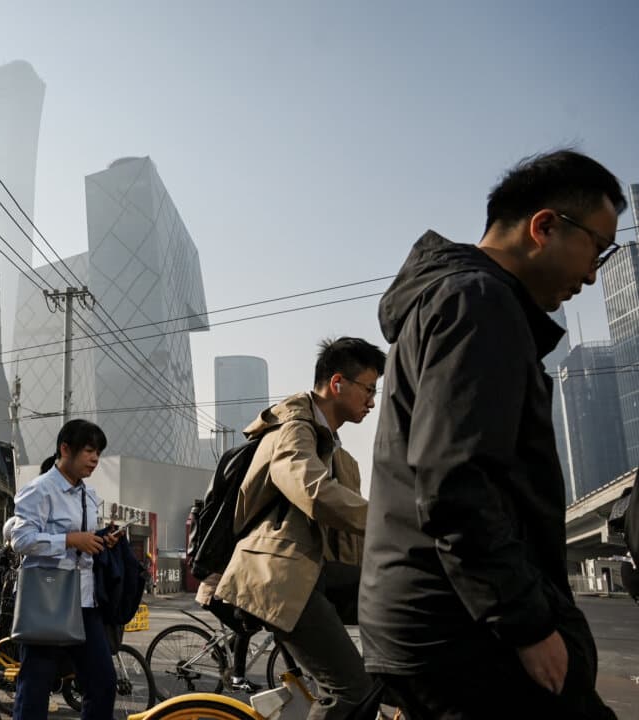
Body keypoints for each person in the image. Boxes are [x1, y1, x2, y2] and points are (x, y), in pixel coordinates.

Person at [359, 149, 624, 719]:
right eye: (597, 248)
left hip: (438, 624)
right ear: (545, 226)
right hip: (462, 635)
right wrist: (526, 626)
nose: (593, 274)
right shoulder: (480, 302)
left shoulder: (456, 298)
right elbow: (456, 481)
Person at [215, 336, 385, 720]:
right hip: (280, 576)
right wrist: (388, 525)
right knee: (352, 690)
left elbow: (345, 535)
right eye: (368, 390)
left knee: (401, 596)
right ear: (338, 383)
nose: (372, 402)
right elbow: (312, 491)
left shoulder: (334, 448)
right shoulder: (294, 428)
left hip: (308, 571)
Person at [9, 419, 118, 720]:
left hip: (84, 599)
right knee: (35, 687)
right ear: (65, 449)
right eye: (89, 451)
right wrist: (70, 540)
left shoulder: (89, 494)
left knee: (104, 682)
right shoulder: (39, 490)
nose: (95, 459)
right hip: (47, 599)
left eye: (98, 452)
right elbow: (20, 540)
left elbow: (83, 540)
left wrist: (98, 541)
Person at [196, 572, 259, 692]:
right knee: (243, 630)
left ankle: (220, 653)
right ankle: (238, 678)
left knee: (252, 626)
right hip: (213, 595)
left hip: (224, 595)